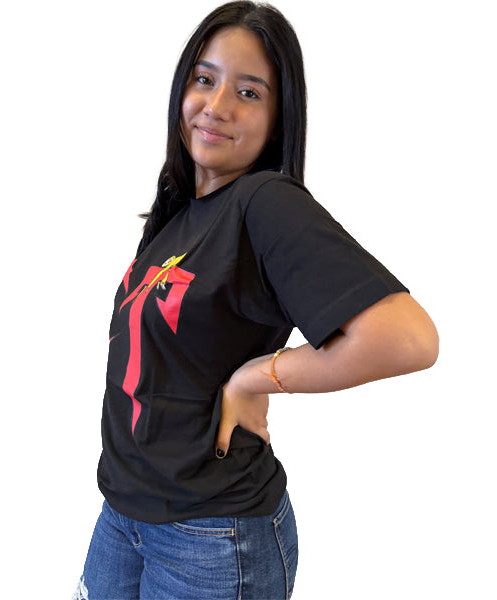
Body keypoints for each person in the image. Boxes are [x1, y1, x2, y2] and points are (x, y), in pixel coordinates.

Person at [73, 2, 439, 599]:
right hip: (123, 515)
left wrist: (254, 378)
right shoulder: (178, 213)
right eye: (204, 79)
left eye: (248, 92)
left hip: (211, 536)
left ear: (277, 119)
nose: (216, 105)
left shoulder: (267, 201)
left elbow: (407, 338)